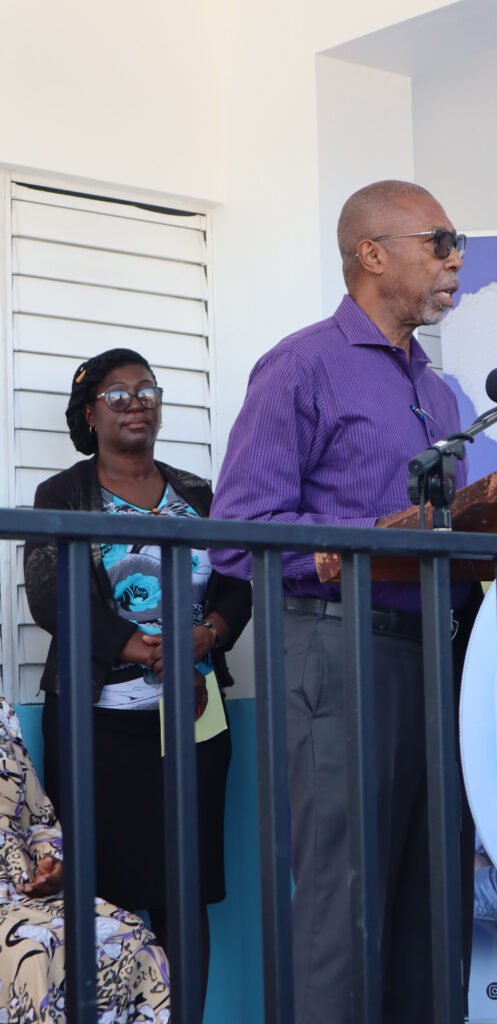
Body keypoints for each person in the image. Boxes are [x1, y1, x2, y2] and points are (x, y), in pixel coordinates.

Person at [209, 180, 482, 1023]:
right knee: (343, 902)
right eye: (439, 241)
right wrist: (358, 541)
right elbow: (237, 533)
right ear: (371, 254)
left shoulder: (439, 392)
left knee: (435, 901)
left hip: (441, 659)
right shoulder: (302, 365)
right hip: (338, 651)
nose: (455, 260)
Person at [24, 347, 253, 1007]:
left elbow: (239, 580)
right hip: (97, 725)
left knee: (185, 892)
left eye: (147, 390)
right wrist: (141, 648)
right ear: (89, 414)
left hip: (194, 723)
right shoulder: (62, 495)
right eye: (118, 394)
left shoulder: (199, 495)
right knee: (99, 894)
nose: (136, 403)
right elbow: (51, 597)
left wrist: (209, 634)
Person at [0, 694, 171, 1022]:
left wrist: (51, 862)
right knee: (31, 952)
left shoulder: (1, 713)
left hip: (24, 893)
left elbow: (38, 817)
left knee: (133, 935)